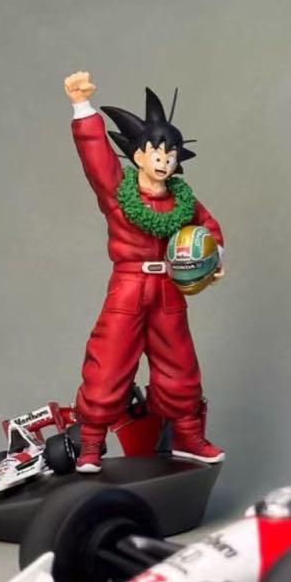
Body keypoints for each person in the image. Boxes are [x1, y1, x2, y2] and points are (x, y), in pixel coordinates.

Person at [63, 70, 225, 472]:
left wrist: (213, 258)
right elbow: (96, 159)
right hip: (129, 285)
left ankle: (187, 433)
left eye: (171, 155)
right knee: (109, 360)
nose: (164, 161)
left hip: (169, 286)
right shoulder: (120, 194)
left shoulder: (184, 200)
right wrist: (82, 107)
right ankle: (91, 440)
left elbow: (208, 226)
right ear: (138, 155)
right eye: (157, 153)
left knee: (179, 363)